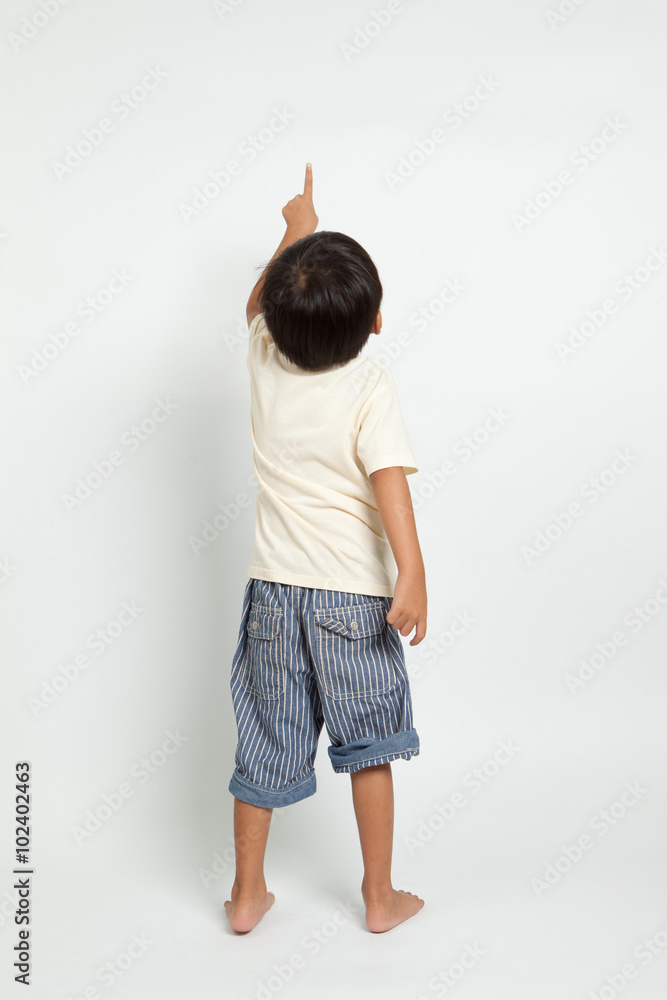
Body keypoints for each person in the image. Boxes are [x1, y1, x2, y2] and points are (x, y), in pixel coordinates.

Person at [224, 163, 427, 934]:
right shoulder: (369, 386)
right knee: (368, 745)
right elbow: (389, 485)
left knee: (264, 742)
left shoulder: (262, 357)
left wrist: (296, 228)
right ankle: (378, 900)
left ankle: (247, 897)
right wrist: (411, 572)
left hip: (272, 595)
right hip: (352, 600)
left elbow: (253, 306)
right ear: (373, 322)